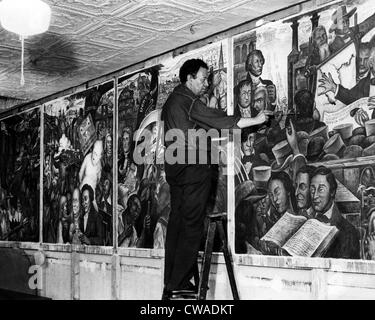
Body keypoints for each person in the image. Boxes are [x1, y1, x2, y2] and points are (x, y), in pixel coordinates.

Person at [161, 58, 269, 299]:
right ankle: (179, 282)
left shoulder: (171, 102)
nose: (206, 83)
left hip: (176, 171)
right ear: (188, 79)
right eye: (202, 78)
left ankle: (171, 281)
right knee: (191, 225)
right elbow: (222, 121)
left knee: (177, 225)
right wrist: (257, 120)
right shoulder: (188, 101)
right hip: (193, 170)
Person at [310, 166, 360, 259]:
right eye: (312, 189)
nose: (315, 195)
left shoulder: (348, 232)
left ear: (332, 191)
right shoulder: (306, 223)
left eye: (321, 189)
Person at [318, 43, 375, 118]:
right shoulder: (364, 82)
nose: (362, 63)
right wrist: (334, 88)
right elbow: (351, 97)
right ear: (371, 63)